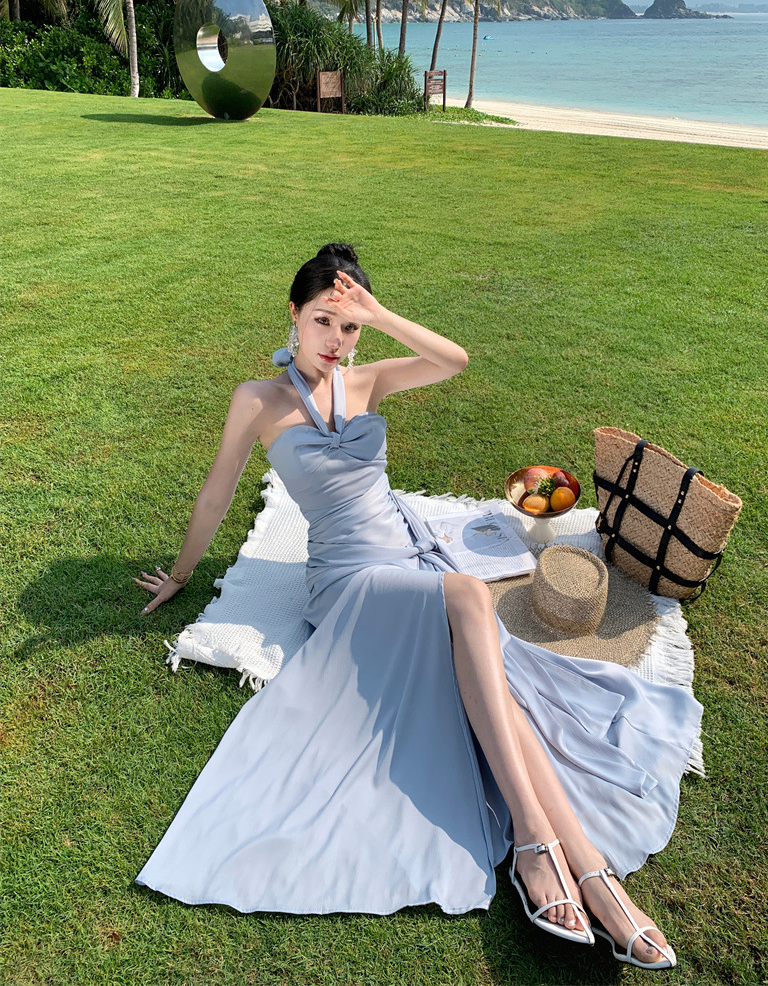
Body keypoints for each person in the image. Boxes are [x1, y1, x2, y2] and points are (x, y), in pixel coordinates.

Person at [135, 244, 701, 970]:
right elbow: (217, 491)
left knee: (499, 690)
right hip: (347, 582)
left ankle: (586, 865)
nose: (336, 340)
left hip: (408, 559)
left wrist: (377, 315)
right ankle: (539, 845)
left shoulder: (366, 380)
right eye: (323, 320)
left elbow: (453, 360)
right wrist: (183, 574)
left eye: (349, 327)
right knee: (468, 598)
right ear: (293, 315)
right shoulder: (258, 400)